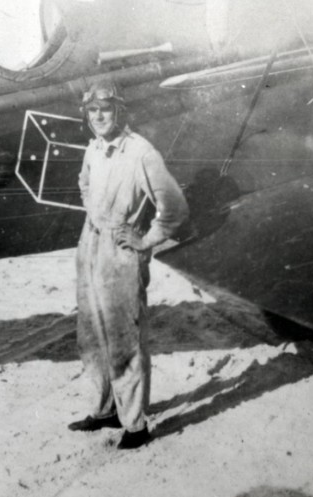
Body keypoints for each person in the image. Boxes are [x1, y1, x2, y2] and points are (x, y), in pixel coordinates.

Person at [68, 80, 189, 449]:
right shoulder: (94, 149)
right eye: (92, 111)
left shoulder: (141, 153)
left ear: (120, 111)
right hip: (90, 245)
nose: (99, 116)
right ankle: (105, 409)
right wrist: (94, 218)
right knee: (91, 336)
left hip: (121, 253)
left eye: (106, 109)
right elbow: (84, 184)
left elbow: (175, 209)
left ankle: (135, 425)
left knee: (124, 340)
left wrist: (144, 239)